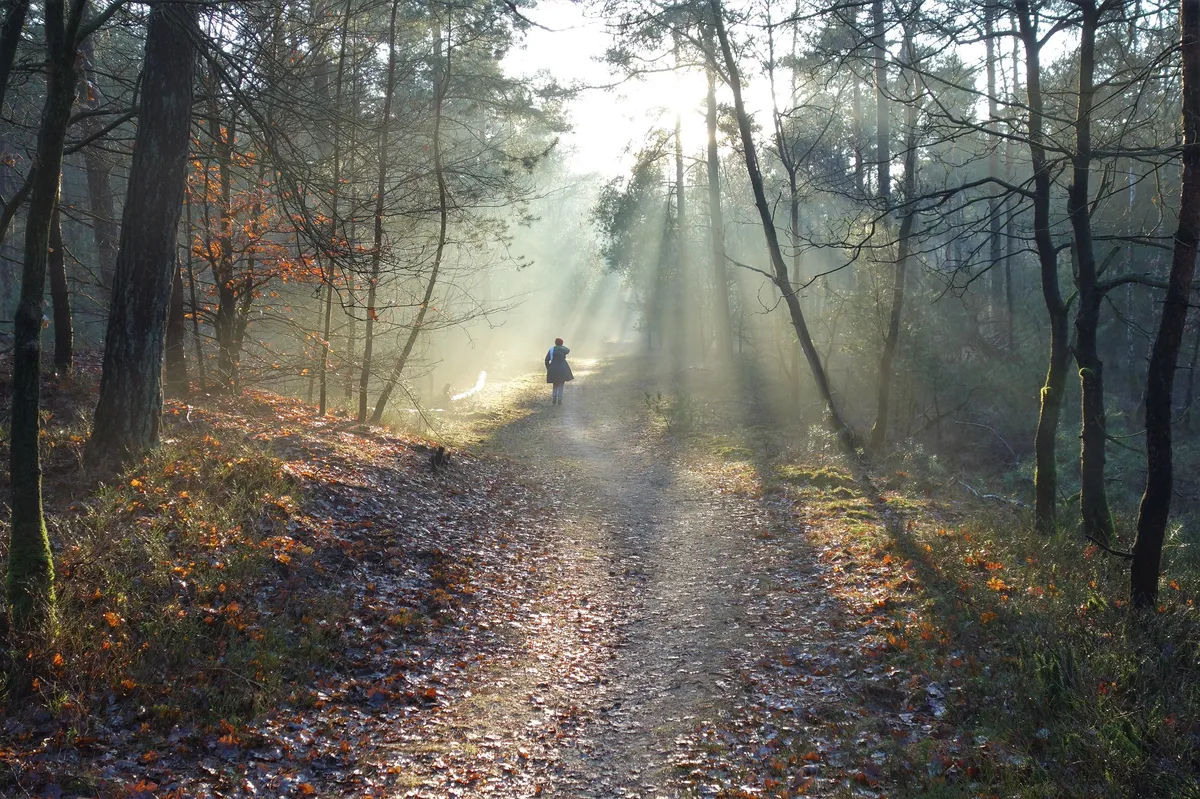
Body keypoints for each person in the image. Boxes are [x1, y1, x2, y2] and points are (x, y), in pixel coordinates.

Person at [544, 337, 574, 405]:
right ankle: (560, 400)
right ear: (562, 344)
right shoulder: (564, 350)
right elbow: (568, 349)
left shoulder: (551, 349)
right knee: (561, 384)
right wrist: (561, 346)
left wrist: (549, 368)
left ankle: (554, 398)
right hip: (563, 368)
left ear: (555, 343)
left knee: (555, 384)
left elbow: (546, 360)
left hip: (553, 367)